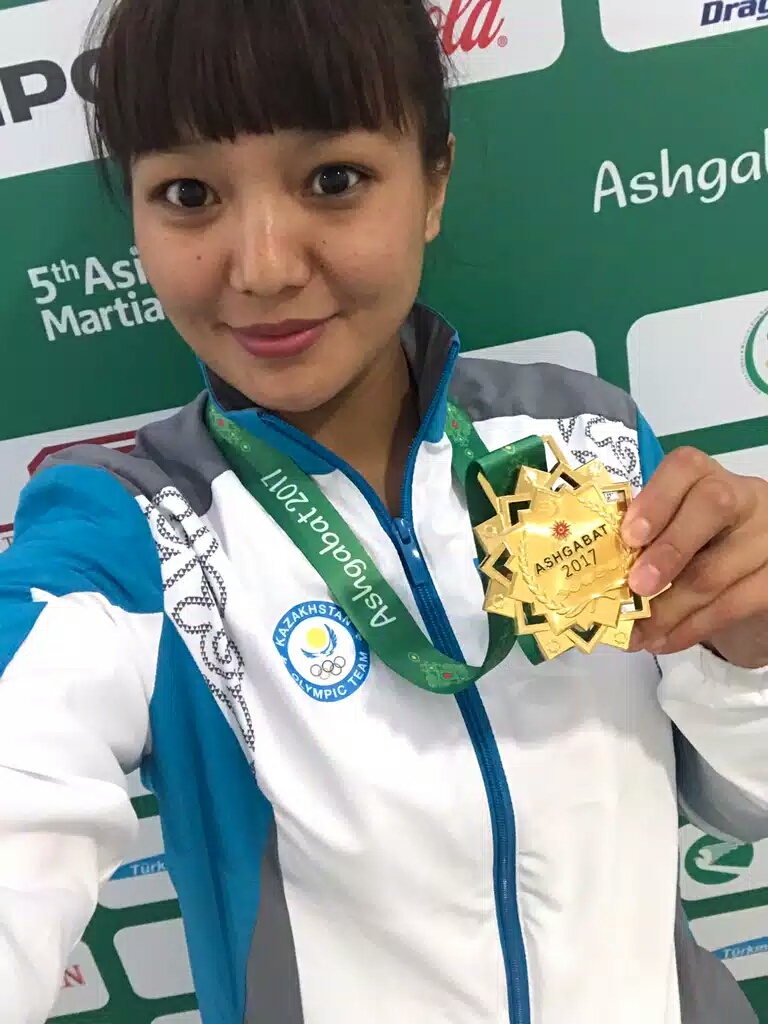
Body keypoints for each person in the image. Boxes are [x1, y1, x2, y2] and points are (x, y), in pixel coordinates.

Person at [2, 0, 768, 1021]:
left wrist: (748, 652)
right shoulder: (129, 534)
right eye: (188, 194)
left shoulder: (588, 437)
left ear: (433, 183)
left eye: (334, 180)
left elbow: (742, 801)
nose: (265, 267)